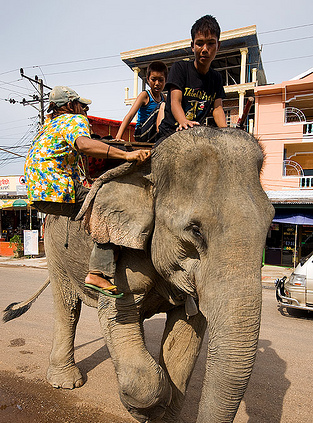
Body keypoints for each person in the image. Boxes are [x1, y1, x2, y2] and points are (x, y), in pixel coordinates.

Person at [24, 85, 150, 297]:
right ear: (71, 105)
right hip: (58, 188)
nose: (85, 110)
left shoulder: (48, 126)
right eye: (82, 106)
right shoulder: (75, 120)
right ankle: (98, 271)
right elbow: (83, 144)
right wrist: (126, 155)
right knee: (110, 207)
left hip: (37, 193)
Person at [158, 15, 227, 139]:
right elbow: (175, 102)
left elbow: (217, 109)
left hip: (195, 136)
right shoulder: (180, 68)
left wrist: (227, 133)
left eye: (210, 43)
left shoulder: (216, 78)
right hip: (170, 132)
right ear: (192, 46)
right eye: (199, 44)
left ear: (218, 45)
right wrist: (183, 121)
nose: (205, 49)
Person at [115, 61, 167, 143]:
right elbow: (130, 115)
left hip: (153, 134)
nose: (157, 83)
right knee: (162, 106)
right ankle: (161, 135)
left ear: (165, 80)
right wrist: (118, 137)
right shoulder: (145, 95)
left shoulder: (164, 97)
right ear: (148, 79)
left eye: (160, 80)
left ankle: (162, 135)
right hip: (141, 133)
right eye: (153, 80)